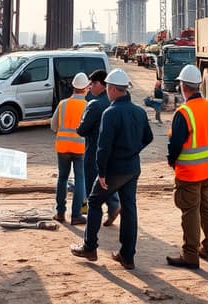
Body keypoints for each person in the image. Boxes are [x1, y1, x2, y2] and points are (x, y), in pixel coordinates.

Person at [71, 67, 153, 270]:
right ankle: (127, 255)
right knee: (129, 208)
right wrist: (133, 151)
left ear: (114, 89)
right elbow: (148, 138)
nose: (106, 91)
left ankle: (89, 247)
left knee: (94, 201)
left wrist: (102, 173)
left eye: (108, 87)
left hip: (114, 169)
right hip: (132, 168)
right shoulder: (139, 111)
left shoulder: (111, 112)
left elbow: (103, 147)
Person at [166, 64, 208, 269]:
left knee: (190, 211)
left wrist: (172, 161)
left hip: (189, 172)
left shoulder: (184, 112)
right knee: (206, 207)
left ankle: (190, 254)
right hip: (207, 169)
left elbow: (175, 145)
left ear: (183, 86)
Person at [76, 69, 120, 226]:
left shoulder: (94, 105)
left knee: (92, 186)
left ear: (103, 84)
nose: (90, 87)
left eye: (93, 84)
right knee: (106, 181)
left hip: (94, 150)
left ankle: (93, 220)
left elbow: (82, 130)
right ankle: (114, 205)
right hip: (112, 152)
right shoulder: (114, 103)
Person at [51, 71, 89, 225]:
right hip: (80, 147)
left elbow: (53, 126)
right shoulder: (87, 106)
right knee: (80, 179)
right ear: (86, 88)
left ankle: (60, 213)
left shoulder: (63, 104)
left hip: (62, 147)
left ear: (73, 87)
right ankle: (76, 215)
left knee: (62, 178)